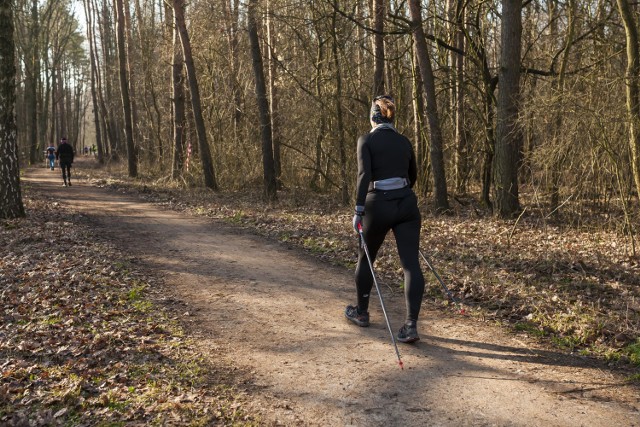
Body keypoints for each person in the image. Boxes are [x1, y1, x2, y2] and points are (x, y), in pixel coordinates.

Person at [345, 95, 425, 344]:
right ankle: (410, 325)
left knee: (366, 258)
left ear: (373, 117)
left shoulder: (366, 140)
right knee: (411, 264)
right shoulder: (404, 141)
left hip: (376, 204)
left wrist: (358, 210)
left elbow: (363, 174)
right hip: (406, 205)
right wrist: (400, 193)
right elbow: (413, 175)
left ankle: (361, 312)